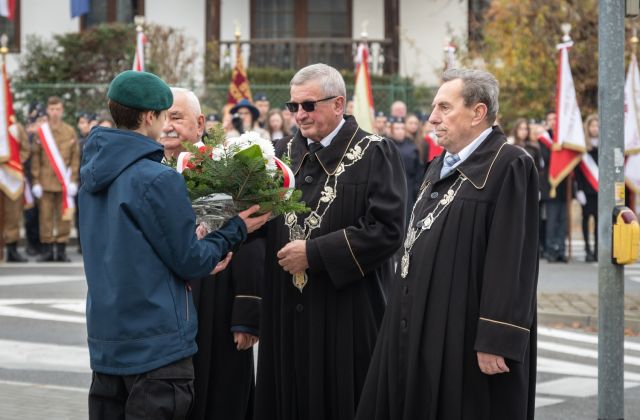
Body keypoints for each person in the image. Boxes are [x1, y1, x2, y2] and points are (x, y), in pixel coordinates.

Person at [80, 70, 270, 420]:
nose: (167, 124)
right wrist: (235, 229)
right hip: (157, 344)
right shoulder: (157, 176)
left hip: (108, 343)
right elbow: (191, 261)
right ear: (150, 116)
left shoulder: (93, 171)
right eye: (166, 114)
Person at [356, 68, 539, 420]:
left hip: (466, 331)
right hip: (421, 321)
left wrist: (496, 337)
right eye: (433, 107)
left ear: (478, 112)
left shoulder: (509, 164)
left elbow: (512, 258)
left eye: (444, 107)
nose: (432, 118)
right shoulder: (439, 163)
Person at [254, 63, 407, 420]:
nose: (299, 115)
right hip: (285, 309)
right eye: (293, 107)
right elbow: (258, 220)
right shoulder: (278, 154)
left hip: (346, 311)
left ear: (338, 104)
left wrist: (315, 253)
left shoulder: (374, 153)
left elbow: (388, 230)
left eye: (309, 105)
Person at [162, 87, 261, 420]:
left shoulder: (227, 167)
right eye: (161, 116)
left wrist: (247, 311)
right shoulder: (147, 167)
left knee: (219, 396)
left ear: (200, 122)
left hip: (217, 301)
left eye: (176, 116)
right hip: (165, 304)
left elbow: (252, 236)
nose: (167, 125)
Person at [31, 96, 80, 262]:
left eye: (58, 109)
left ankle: (61, 250)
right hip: (45, 183)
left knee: (64, 217)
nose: (55, 113)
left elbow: (75, 157)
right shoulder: (41, 132)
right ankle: (46, 250)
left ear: (62, 111)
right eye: (52, 109)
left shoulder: (69, 131)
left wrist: (73, 179)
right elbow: (36, 158)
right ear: (47, 110)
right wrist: (36, 181)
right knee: (45, 218)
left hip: (64, 183)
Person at [1, 121, 30, 262]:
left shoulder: (16, 127)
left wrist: (16, 164)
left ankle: (12, 250)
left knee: (13, 215)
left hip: (12, 176)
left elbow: (25, 148)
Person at [388, 116, 424, 213]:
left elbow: (418, 172)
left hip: (408, 188)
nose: (400, 131)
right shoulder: (385, 146)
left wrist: (416, 190)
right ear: (391, 130)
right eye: (397, 128)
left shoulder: (412, 148)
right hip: (389, 188)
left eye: (402, 128)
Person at [575, 114, 599, 262]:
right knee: (586, 219)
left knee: (598, 220)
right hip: (586, 190)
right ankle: (587, 249)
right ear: (588, 128)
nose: (595, 129)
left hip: (600, 190)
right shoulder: (582, 146)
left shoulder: (605, 146)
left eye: (597, 126)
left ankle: (597, 250)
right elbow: (578, 171)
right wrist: (579, 190)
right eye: (592, 126)